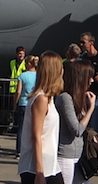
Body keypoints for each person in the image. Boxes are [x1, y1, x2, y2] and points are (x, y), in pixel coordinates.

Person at [19, 51, 63, 184]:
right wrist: (39, 172)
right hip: (36, 166)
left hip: (51, 164)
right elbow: (36, 135)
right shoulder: (41, 99)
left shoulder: (49, 98)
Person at [56, 61, 95, 184]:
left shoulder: (78, 98)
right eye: (89, 77)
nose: (92, 80)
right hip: (66, 155)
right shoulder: (65, 98)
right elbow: (77, 129)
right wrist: (91, 108)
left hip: (77, 155)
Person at [14, 54, 39, 156]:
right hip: (35, 103)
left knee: (21, 128)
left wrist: (15, 103)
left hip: (23, 103)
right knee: (34, 127)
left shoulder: (22, 76)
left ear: (28, 64)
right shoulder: (39, 75)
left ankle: (19, 150)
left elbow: (18, 91)